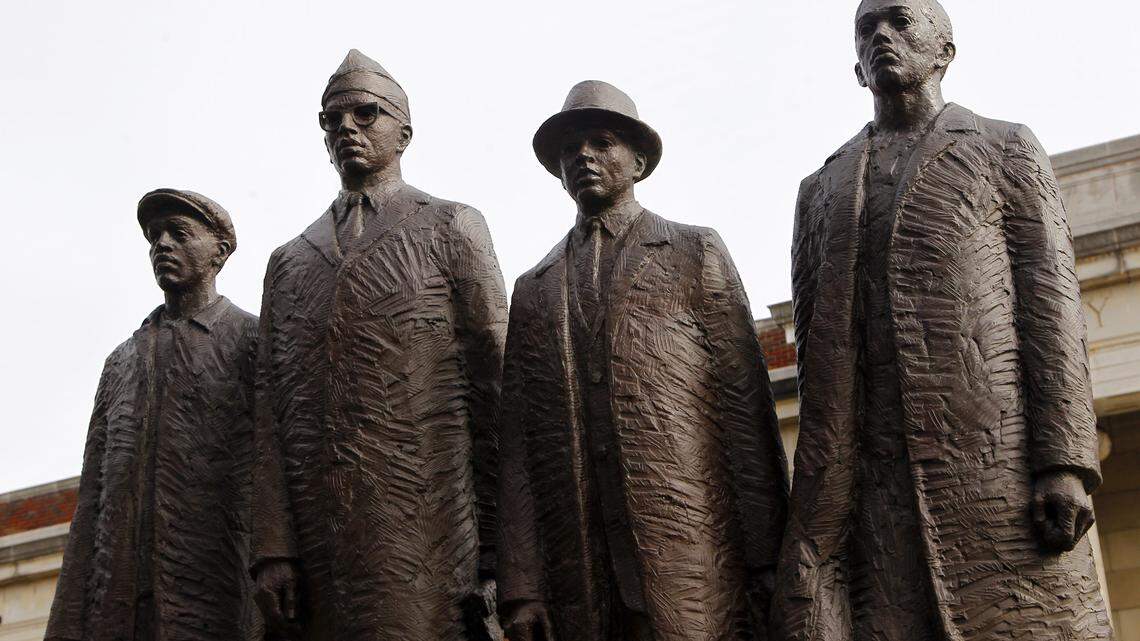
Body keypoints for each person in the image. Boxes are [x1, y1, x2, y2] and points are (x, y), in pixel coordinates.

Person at [770, 2, 1114, 639]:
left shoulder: (1004, 148)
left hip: (995, 467)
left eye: (901, 21)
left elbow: (1052, 305)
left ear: (945, 50)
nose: (882, 37)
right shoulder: (820, 189)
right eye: (867, 28)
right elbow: (816, 345)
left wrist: (1064, 461)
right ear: (854, 67)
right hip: (872, 488)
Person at [497, 80, 788, 641]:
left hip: (694, 560)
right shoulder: (532, 289)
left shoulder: (692, 251)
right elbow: (519, 448)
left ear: (640, 160)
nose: (582, 156)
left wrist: (766, 555)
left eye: (601, 141)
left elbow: (744, 411)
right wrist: (523, 586)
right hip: (581, 573)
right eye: (569, 148)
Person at [251, 49, 508, 641]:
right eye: (330, 121)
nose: (346, 129)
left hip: (434, 534)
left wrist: (503, 554)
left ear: (404, 132)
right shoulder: (288, 262)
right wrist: (272, 550)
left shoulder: (451, 226)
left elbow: (497, 391)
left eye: (365, 114)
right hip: (319, 550)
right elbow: (269, 413)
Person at [46, 189, 259, 641]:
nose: (162, 244)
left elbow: (281, 466)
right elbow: (91, 500)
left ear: (219, 251)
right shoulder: (121, 361)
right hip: (120, 600)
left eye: (179, 233)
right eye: (154, 236)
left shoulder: (252, 339)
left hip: (220, 590)